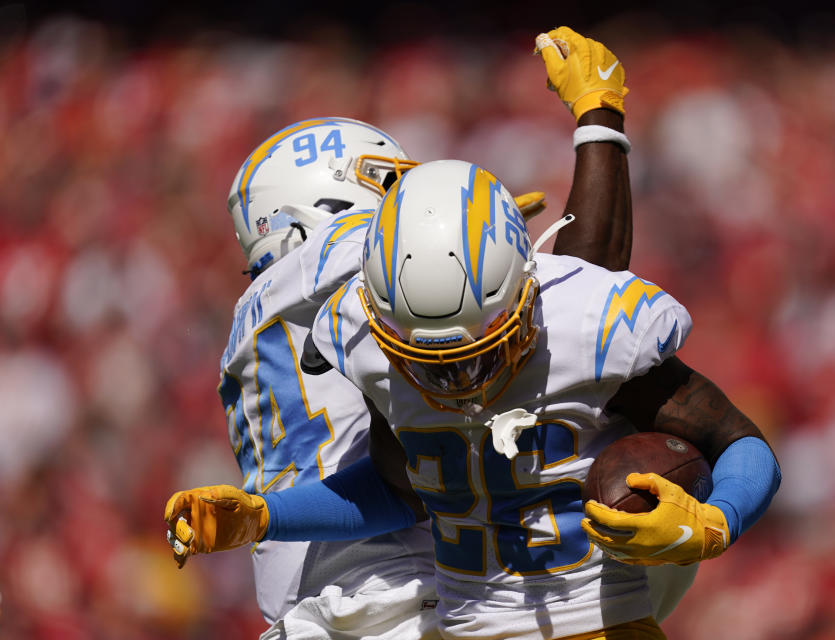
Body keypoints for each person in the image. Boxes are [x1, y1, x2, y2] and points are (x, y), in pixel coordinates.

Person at [166, 29, 781, 640]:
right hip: (413, 601)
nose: (457, 376)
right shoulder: (363, 308)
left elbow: (736, 437)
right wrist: (597, 124)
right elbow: (395, 482)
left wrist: (716, 521)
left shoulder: (292, 319)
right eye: (390, 194)